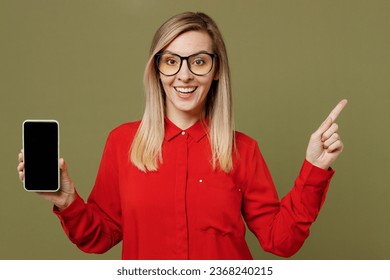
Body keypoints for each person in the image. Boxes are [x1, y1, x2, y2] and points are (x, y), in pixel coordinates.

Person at [17, 11, 347, 260]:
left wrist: (313, 169)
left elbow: (280, 240)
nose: (184, 75)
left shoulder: (243, 150)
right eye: (171, 61)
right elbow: (100, 237)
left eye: (199, 61)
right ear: (156, 69)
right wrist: (67, 200)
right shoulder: (123, 143)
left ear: (216, 70)